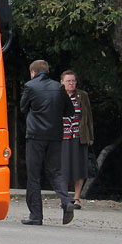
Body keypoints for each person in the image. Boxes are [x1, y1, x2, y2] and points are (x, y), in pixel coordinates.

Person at [19, 59, 76, 226]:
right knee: (56, 171)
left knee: (34, 175)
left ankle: (36, 215)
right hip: (55, 136)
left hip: (35, 136)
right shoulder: (58, 87)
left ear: (33, 72)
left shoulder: (30, 86)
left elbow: (23, 108)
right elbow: (70, 112)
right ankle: (66, 201)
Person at [59, 70, 93, 209]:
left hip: (79, 136)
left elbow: (88, 116)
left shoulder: (82, 96)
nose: (71, 83)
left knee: (79, 167)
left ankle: (77, 197)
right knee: (64, 167)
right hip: (62, 136)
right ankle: (65, 198)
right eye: (68, 81)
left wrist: (90, 136)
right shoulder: (57, 95)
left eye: (73, 81)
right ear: (62, 82)